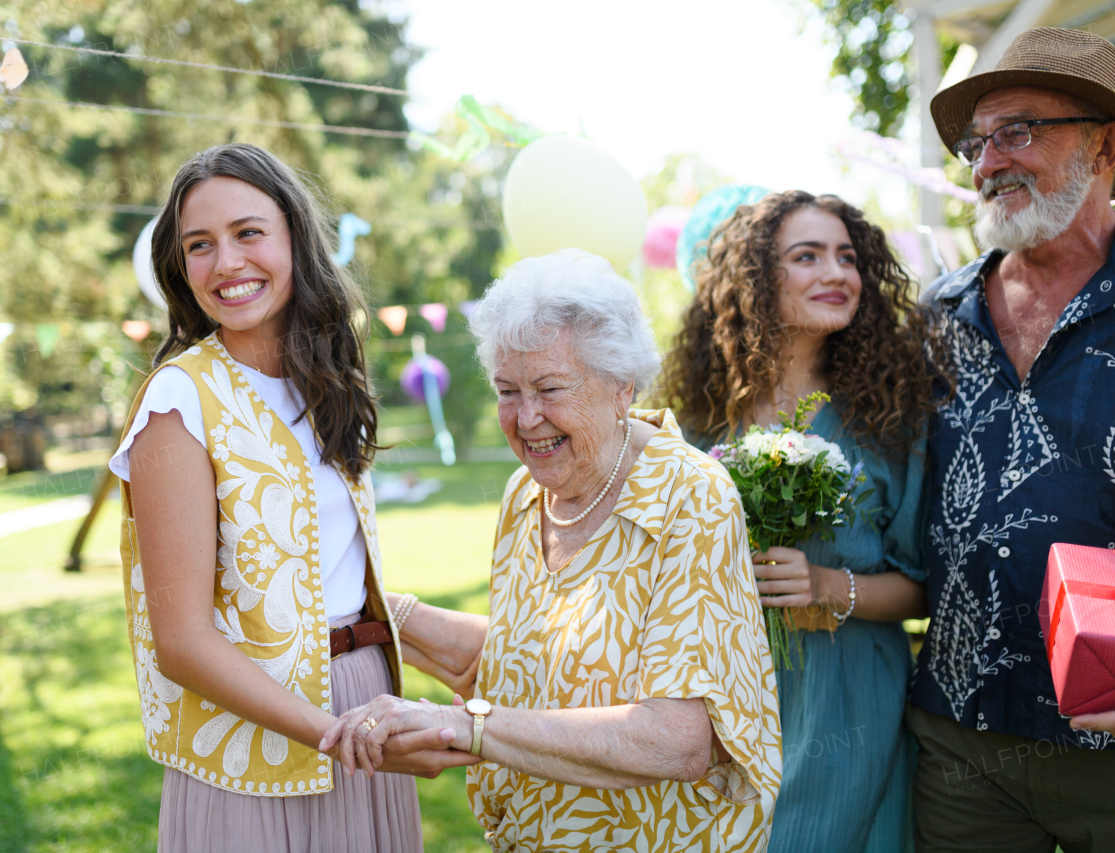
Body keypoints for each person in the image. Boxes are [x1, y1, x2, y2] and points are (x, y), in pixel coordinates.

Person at [319, 249, 783, 853]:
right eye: (508, 390)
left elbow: (677, 739)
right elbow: (526, 658)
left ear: (622, 387)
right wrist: (373, 608)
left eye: (550, 388)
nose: (527, 417)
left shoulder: (688, 497)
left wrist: (466, 726)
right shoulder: (525, 493)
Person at [109, 143, 475, 853]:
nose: (227, 263)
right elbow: (181, 642)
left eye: (249, 232)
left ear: (293, 239)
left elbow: (320, 570)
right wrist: (336, 736)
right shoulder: (180, 399)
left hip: (365, 699)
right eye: (200, 245)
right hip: (253, 734)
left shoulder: (327, 382)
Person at [664, 189, 941, 853]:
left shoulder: (892, 418)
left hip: (850, 698)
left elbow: (925, 585)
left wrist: (824, 584)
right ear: (758, 279)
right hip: (723, 700)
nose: (837, 273)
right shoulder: (698, 420)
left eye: (847, 257)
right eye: (808, 256)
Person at [909, 25, 1115, 853]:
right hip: (965, 740)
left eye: (1019, 130)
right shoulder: (934, 317)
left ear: (1104, 146)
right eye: (976, 142)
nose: (989, 161)